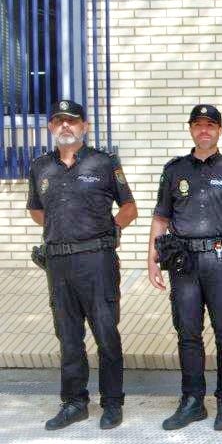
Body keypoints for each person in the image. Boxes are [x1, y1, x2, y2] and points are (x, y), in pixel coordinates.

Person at [146, 104, 222, 431]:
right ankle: (193, 401)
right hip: (184, 264)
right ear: (191, 129)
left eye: (211, 125)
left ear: (220, 130)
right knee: (188, 334)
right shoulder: (175, 170)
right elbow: (161, 217)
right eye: (198, 125)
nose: (204, 130)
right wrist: (152, 258)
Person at [27, 99, 137, 430]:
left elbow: (129, 207)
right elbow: (36, 210)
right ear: (50, 127)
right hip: (59, 263)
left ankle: (112, 403)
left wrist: (109, 231)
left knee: (106, 332)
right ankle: (74, 403)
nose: (65, 126)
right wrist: (64, 229)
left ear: (84, 127)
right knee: (68, 336)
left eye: (72, 121)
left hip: (97, 260)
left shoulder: (103, 163)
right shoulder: (40, 167)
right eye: (59, 121)